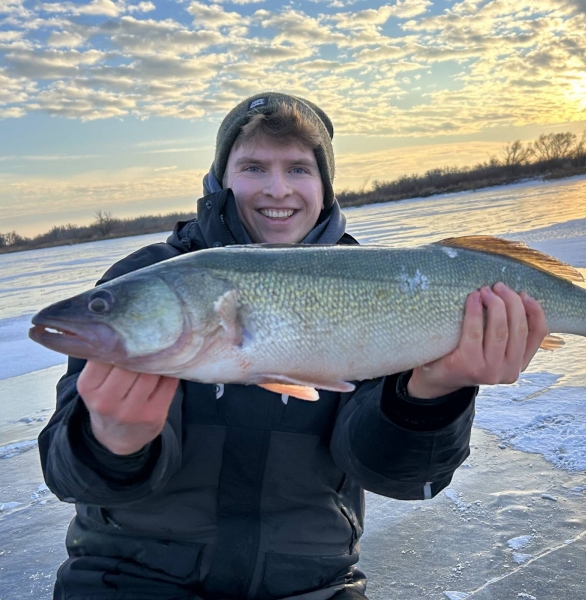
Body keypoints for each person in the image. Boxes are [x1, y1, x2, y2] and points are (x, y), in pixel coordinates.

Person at [38, 92, 549, 600]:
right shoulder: (146, 278)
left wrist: (437, 393)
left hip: (312, 584)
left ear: (325, 187)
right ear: (220, 180)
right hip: (128, 579)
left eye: (299, 169)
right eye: (254, 167)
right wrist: (108, 442)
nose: (277, 189)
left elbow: (400, 477)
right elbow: (68, 475)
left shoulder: (374, 281)